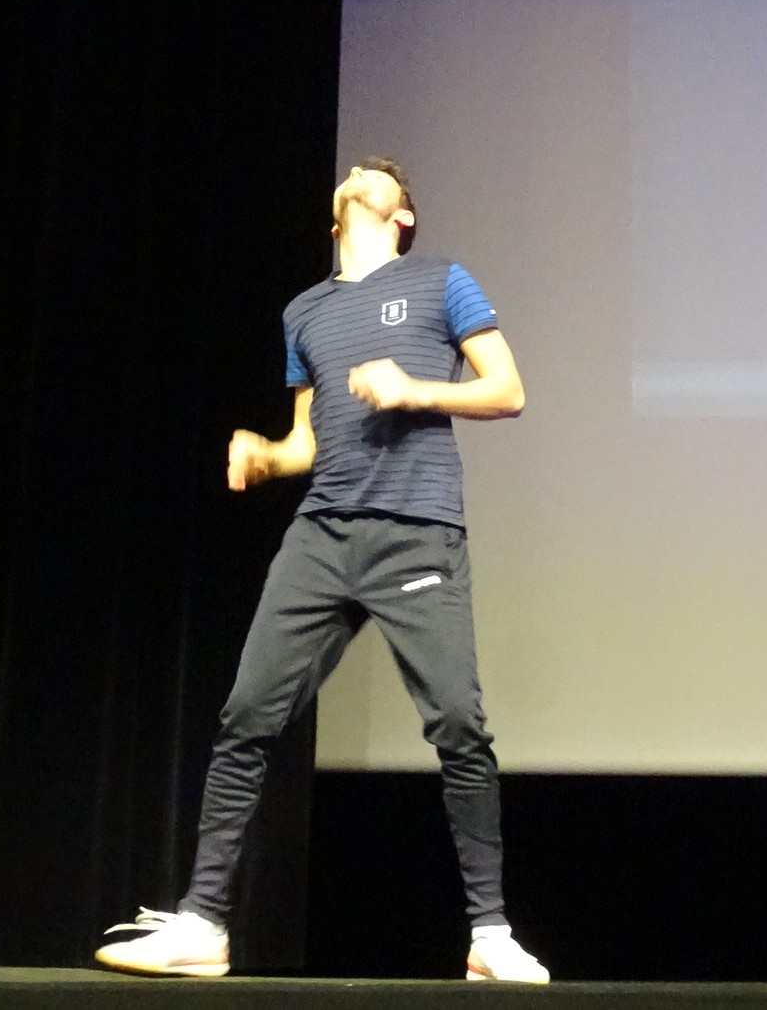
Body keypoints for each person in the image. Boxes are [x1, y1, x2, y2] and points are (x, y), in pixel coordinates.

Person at [95, 158, 549, 982]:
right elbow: (309, 438)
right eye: (352, 171)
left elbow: (508, 389)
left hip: (416, 531)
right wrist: (270, 456)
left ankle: (490, 935)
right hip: (323, 533)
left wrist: (411, 388)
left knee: (457, 725)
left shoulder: (442, 279)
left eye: (377, 175)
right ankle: (203, 924)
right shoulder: (305, 309)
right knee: (247, 716)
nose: (357, 173)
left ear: (402, 214)